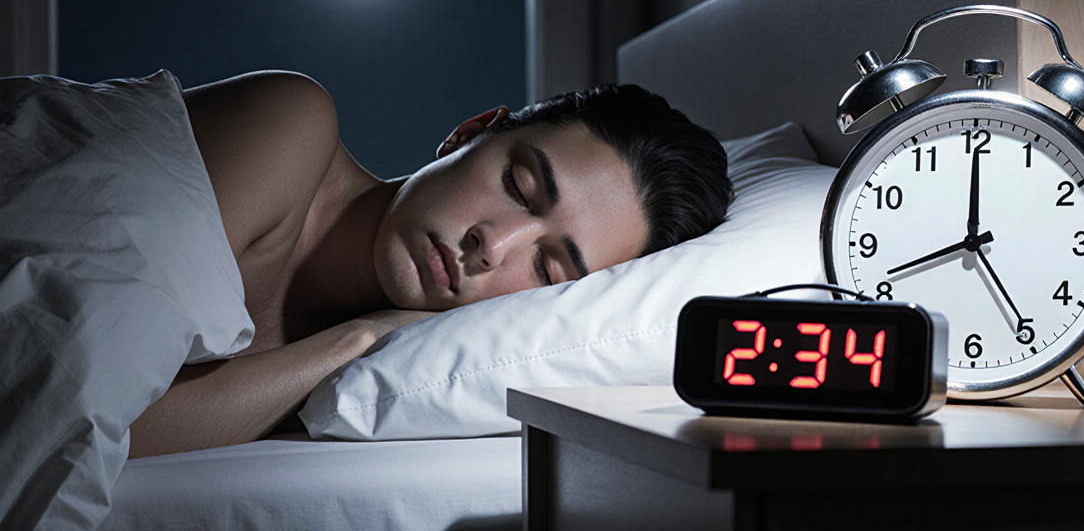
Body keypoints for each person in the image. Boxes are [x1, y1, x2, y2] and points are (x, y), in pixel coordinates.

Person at [129, 70, 733, 456]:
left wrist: (367, 340)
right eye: (519, 186)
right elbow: (93, 417)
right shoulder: (289, 122)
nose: (492, 246)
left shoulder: (395, 384)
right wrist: (362, 336)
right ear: (470, 133)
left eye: (548, 270)